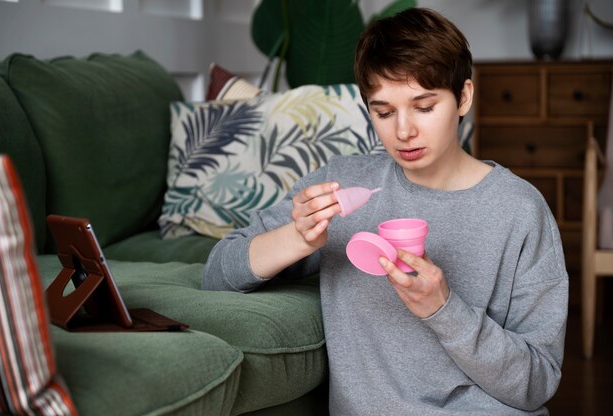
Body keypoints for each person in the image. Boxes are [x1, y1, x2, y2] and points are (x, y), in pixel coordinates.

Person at [203, 7, 568, 415]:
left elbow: (538, 382)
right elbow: (217, 274)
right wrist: (297, 236)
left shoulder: (519, 210)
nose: (404, 131)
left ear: (464, 96)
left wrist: (443, 309)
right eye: (384, 112)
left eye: (425, 107)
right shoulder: (338, 188)